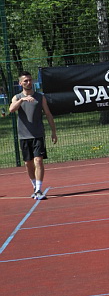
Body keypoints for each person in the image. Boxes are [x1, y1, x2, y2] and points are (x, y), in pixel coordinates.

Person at [9, 71, 57, 200]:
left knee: (38, 161)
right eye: (26, 81)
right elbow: (11, 109)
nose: (29, 82)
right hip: (24, 136)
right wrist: (22, 100)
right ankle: (35, 187)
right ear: (20, 83)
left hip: (38, 134)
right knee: (28, 163)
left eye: (30, 80)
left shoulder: (40, 97)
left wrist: (53, 132)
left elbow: (48, 114)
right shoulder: (17, 97)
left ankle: (38, 190)